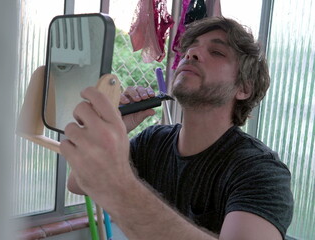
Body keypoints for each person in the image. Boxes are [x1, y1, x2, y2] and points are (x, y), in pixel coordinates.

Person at [60, 17, 294, 240]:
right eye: (190, 48)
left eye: (217, 52)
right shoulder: (153, 141)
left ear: (244, 88)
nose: (191, 53)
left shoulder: (260, 171)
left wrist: (123, 184)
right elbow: (77, 182)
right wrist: (116, 131)